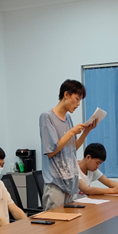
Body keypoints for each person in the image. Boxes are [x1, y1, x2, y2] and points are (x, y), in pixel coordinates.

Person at [39, 79, 96, 210]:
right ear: (66, 95)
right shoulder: (46, 117)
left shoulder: (68, 118)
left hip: (70, 182)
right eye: (77, 99)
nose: (78, 104)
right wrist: (71, 132)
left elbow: (72, 149)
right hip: (55, 183)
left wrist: (86, 132)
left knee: (71, 221)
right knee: (55, 221)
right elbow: (51, 151)